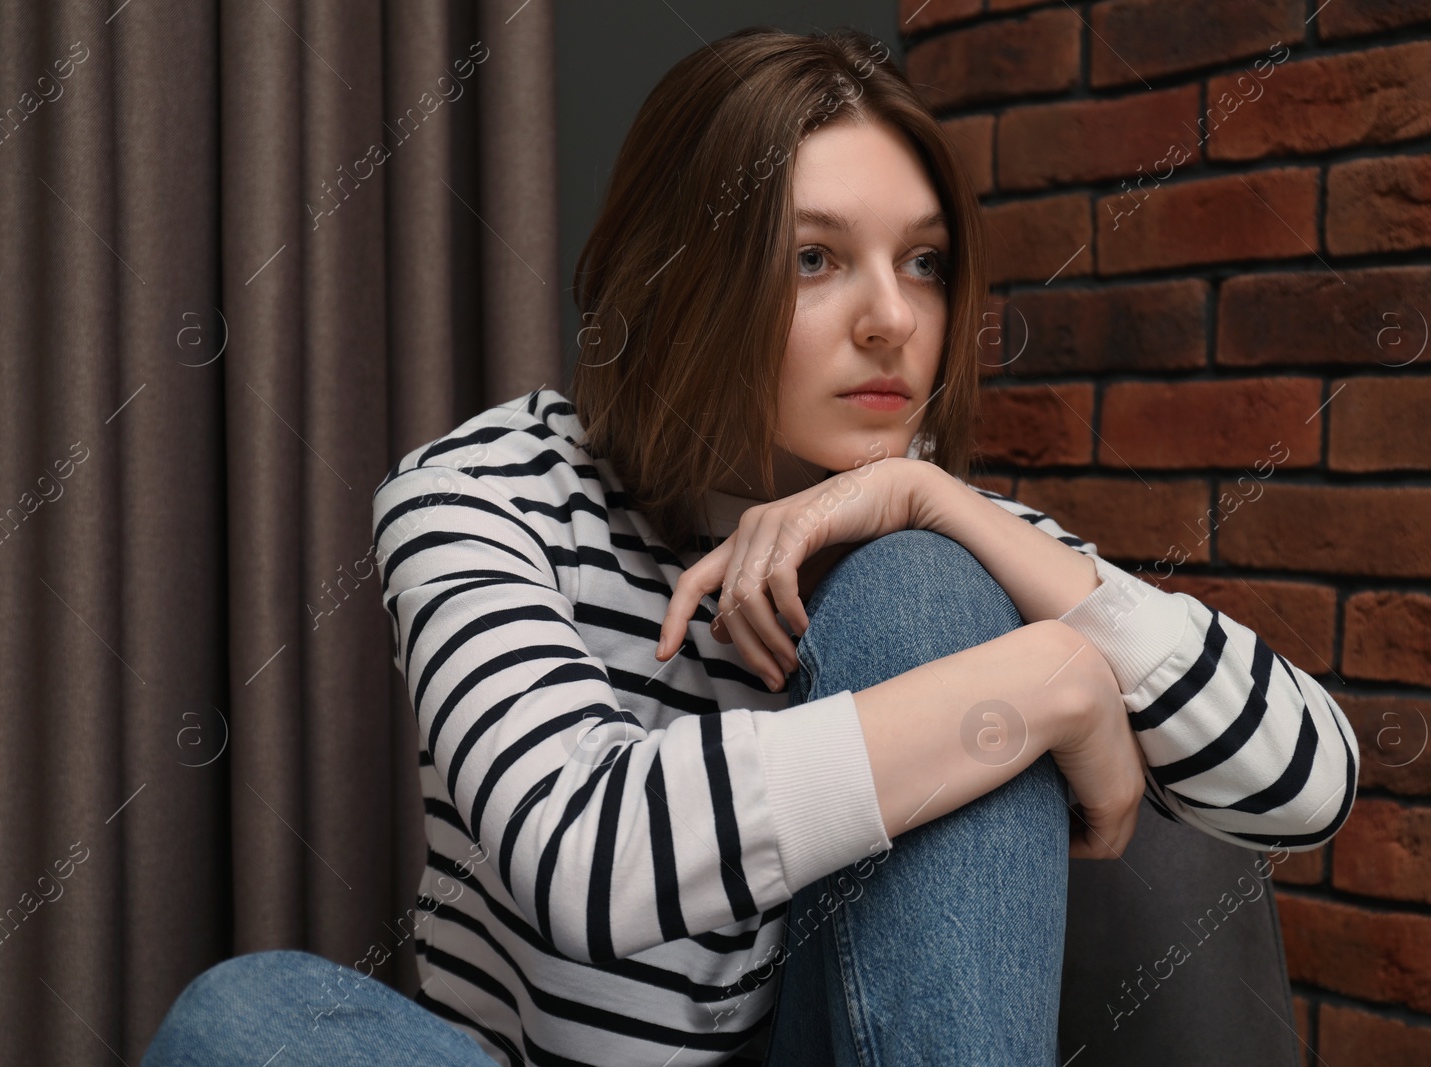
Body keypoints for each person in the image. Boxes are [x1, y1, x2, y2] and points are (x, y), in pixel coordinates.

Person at [143, 25, 1359, 1067]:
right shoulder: (482, 493)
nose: (892, 319)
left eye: (923, 263)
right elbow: (580, 850)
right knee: (249, 1015)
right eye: (816, 258)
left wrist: (947, 509)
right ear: (676, 276)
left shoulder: (928, 527)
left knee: (925, 592)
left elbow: (1309, 783)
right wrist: (1042, 684)